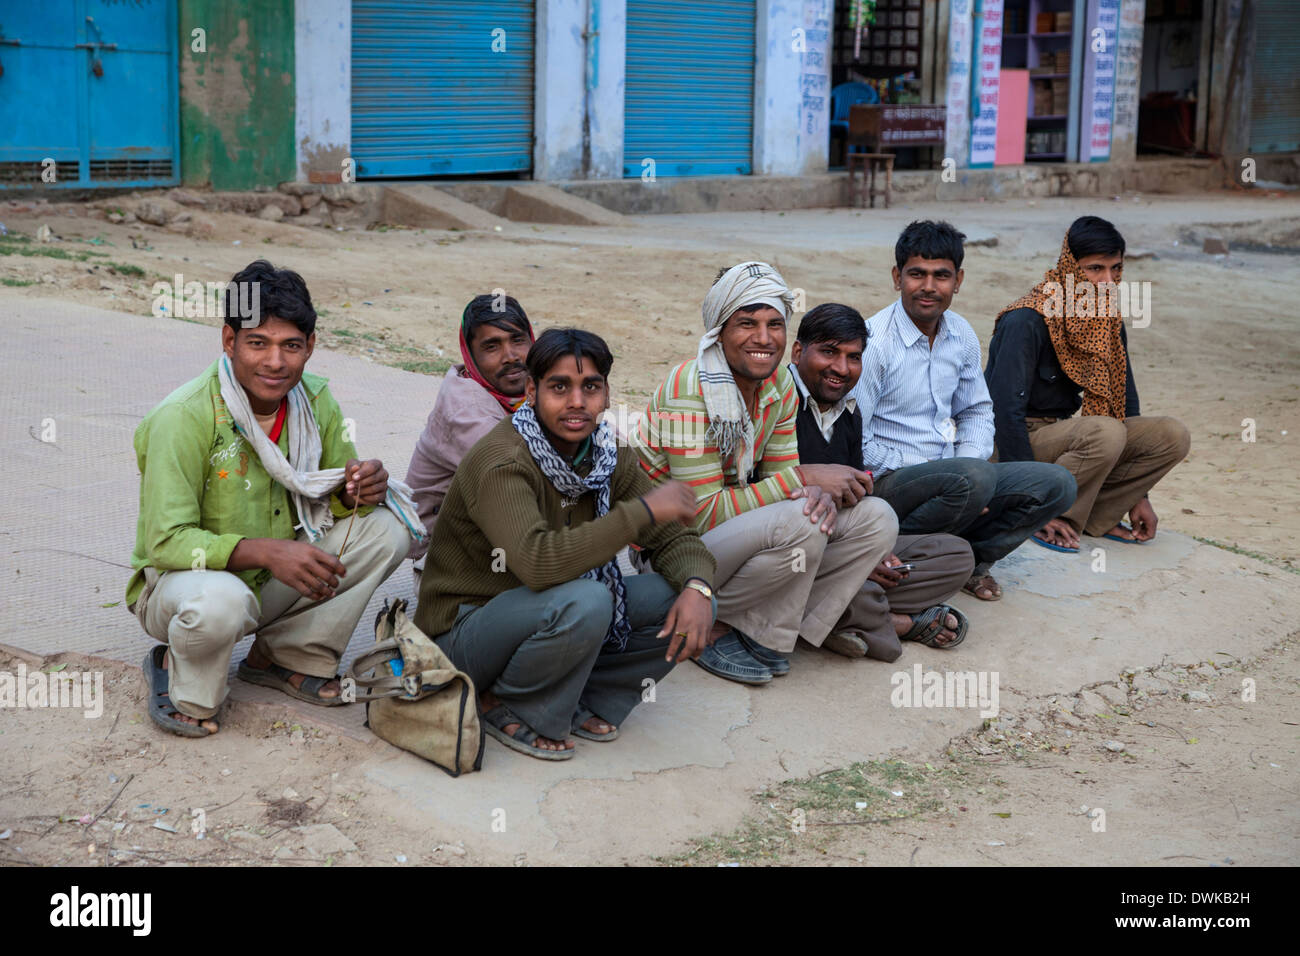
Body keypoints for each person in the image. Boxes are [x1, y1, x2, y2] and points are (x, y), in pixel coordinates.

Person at [128, 260, 423, 738]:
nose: (275, 362)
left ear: (311, 345)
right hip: (190, 588)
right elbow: (165, 542)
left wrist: (361, 491)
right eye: (257, 343)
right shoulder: (182, 417)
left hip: (269, 582)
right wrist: (266, 550)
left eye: (291, 345)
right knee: (219, 606)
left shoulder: (314, 400)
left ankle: (283, 655)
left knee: (387, 529)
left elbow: (340, 504)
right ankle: (172, 659)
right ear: (229, 341)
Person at [414, 328, 716, 761]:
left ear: (607, 395)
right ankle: (510, 701)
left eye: (590, 387)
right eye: (559, 387)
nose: (577, 402)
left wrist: (698, 588)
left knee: (684, 594)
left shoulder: (609, 454)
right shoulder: (503, 460)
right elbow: (539, 563)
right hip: (464, 633)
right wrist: (643, 512)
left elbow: (676, 541)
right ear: (532, 391)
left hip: (545, 612)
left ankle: (591, 695)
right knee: (588, 600)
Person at [633, 262, 896, 685]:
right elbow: (698, 516)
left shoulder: (779, 384)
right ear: (719, 330)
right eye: (747, 323)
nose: (764, 338)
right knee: (801, 521)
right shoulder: (689, 390)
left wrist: (811, 491)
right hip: (671, 554)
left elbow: (782, 477)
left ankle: (774, 629)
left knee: (876, 516)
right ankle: (716, 625)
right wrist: (805, 481)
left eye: (775, 324)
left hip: (732, 538)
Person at [850, 221, 1076, 602]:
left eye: (941, 276)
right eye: (916, 274)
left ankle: (971, 562)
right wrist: (948, 472)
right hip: (889, 482)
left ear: (958, 280)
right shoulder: (875, 343)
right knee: (970, 477)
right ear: (896, 277)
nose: (928, 287)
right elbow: (857, 441)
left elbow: (976, 412)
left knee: (1056, 484)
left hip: (957, 476)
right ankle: (894, 558)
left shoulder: (961, 333)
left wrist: (970, 468)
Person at [986, 216, 1190, 550]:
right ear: (1070, 267)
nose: (1107, 281)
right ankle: (1045, 515)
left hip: (1067, 439)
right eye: (1095, 269)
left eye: (1116, 269)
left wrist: (1138, 496)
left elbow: (1125, 404)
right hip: (1011, 445)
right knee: (1105, 432)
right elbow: (1003, 414)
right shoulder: (1026, 319)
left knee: (1171, 435)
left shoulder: (1106, 321)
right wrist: (1029, 501)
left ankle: (1099, 514)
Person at [791, 302, 975, 658]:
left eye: (853, 357)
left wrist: (877, 551)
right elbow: (772, 507)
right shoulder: (778, 401)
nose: (841, 369)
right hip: (799, 548)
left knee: (956, 556)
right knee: (801, 567)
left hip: (843, 545)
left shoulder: (850, 411)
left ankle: (841, 614)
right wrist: (856, 556)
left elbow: (854, 504)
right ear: (799, 351)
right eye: (829, 352)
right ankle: (895, 623)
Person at [406, 293, 534, 569]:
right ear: (471, 356)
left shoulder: (532, 388)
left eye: (518, 340)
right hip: (450, 558)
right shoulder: (467, 409)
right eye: (492, 347)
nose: (510, 357)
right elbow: (522, 471)